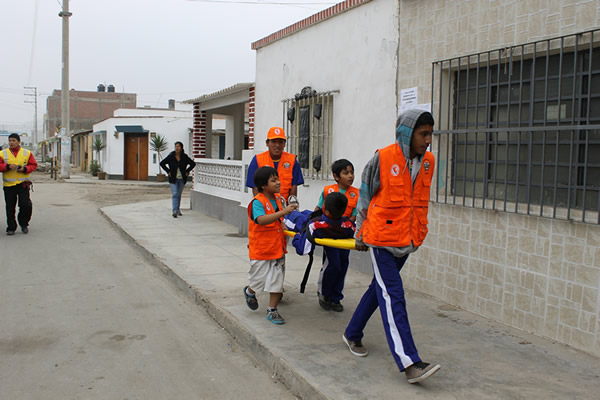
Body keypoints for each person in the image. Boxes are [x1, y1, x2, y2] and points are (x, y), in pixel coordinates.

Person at [342, 109, 441, 384]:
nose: (428, 140)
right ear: (407, 133)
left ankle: (352, 332)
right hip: (380, 239)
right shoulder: (382, 158)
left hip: (407, 239)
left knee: (380, 290)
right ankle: (410, 362)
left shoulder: (429, 161)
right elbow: (364, 196)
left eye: (430, 133)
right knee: (393, 295)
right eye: (423, 134)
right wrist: (360, 233)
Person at [244, 166, 298, 325]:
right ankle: (250, 291)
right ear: (263, 185)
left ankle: (272, 310)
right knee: (258, 280)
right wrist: (283, 213)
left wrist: (284, 225)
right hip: (261, 250)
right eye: (273, 180)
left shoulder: (279, 200)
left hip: (277, 249)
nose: (278, 183)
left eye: (278, 179)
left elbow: (278, 221)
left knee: (277, 280)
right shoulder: (257, 202)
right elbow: (261, 220)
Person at [292, 191, 356, 312]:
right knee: (333, 266)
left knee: (342, 267)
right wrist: (298, 236)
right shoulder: (316, 224)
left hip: (341, 246)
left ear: (326, 210)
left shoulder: (346, 225)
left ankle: (336, 297)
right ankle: (324, 294)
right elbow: (302, 246)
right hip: (305, 220)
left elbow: (302, 249)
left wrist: (298, 237)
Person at [245, 127, 304, 202]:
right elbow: (255, 187)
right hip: (266, 207)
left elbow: (294, 186)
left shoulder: (292, 160)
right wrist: (262, 206)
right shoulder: (257, 160)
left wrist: (291, 206)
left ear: (284, 144)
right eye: (273, 141)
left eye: (280, 142)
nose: (277, 145)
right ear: (267, 143)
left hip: (285, 206)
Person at [0, 133, 38, 235]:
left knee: (26, 205)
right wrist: (7, 167)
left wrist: (25, 169)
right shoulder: (3, 153)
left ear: (18, 142)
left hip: (23, 184)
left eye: (13, 141)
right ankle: (11, 227)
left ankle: (24, 223)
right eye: (10, 141)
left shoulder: (27, 153)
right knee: (10, 207)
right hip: (9, 186)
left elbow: (33, 165)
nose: (11, 143)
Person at [160, 141, 196, 218]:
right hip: (173, 178)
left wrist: (187, 171)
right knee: (175, 193)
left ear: (181, 147)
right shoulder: (171, 156)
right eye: (176, 146)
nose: (177, 148)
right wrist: (168, 171)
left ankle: (177, 209)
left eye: (178, 146)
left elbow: (193, 164)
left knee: (178, 194)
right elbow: (162, 163)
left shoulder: (184, 156)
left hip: (182, 179)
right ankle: (174, 210)